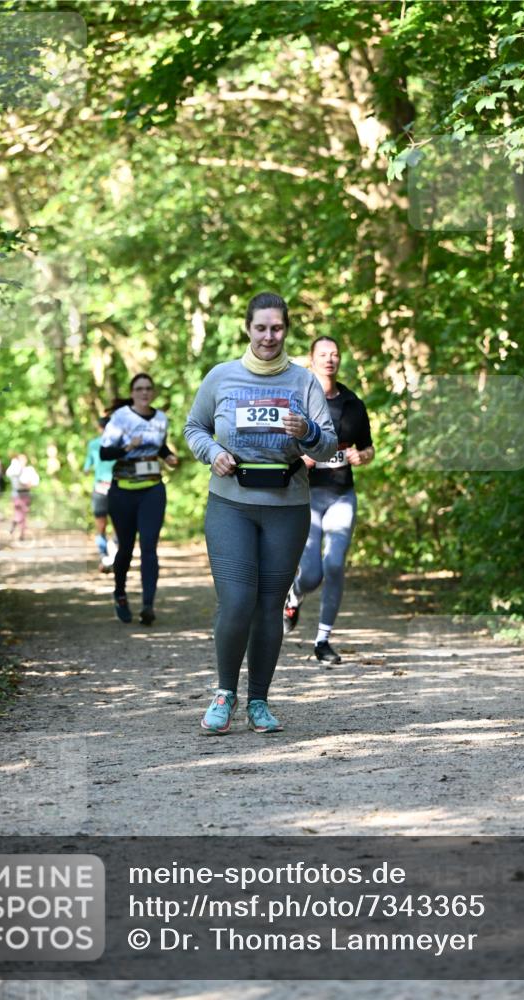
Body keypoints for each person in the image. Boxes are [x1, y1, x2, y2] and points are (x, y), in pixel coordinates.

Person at [184, 291, 337, 736]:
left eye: (277, 328)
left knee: (269, 607)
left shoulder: (302, 382)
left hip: (287, 506)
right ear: (247, 329)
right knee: (236, 602)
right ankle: (224, 693)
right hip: (231, 503)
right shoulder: (222, 377)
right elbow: (194, 428)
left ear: (286, 330)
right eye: (261, 328)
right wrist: (212, 452)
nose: (269, 336)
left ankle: (259, 702)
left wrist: (306, 430)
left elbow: (327, 444)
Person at [283, 336, 374, 663]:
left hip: (340, 495)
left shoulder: (352, 403)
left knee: (334, 564)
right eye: (323, 354)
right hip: (306, 497)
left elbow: (368, 448)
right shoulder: (299, 399)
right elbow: (281, 446)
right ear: (312, 359)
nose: (329, 359)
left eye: (334, 354)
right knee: (311, 574)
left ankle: (323, 640)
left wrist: (362, 456)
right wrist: (301, 457)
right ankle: (295, 594)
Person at [100, 374, 178, 625]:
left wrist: (168, 457)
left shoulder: (161, 418)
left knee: (149, 546)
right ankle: (120, 593)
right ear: (132, 392)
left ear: (153, 392)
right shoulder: (121, 417)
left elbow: (160, 446)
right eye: (139, 389)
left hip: (152, 490)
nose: (144, 393)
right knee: (126, 548)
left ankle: (148, 605)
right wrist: (127, 447)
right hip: (122, 490)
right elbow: (104, 453)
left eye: (148, 389)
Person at [84, 416, 118, 572]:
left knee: (101, 526)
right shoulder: (120, 444)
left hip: (100, 487)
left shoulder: (93, 444)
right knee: (119, 525)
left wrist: (87, 469)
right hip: (117, 487)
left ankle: (105, 556)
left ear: (99, 428)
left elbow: (86, 466)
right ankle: (111, 556)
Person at [6, 454, 40, 540]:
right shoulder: (14, 469)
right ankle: (15, 523)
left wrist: (30, 484)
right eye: (20, 460)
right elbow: (9, 474)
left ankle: (22, 533)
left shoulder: (29, 469)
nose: (22, 461)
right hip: (17, 494)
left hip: (26, 493)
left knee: (24, 513)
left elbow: (35, 481)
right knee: (19, 512)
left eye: (24, 460)